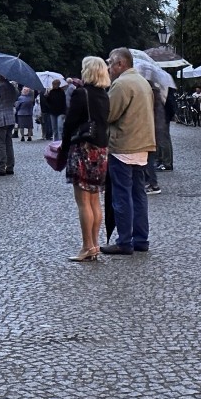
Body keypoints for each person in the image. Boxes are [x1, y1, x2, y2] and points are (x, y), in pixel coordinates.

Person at [101, 48, 156, 255]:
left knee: (122, 194)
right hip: (143, 143)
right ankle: (141, 238)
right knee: (138, 193)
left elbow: (110, 114)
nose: (108, 68)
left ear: (120, 64)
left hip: (124, 144)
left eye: (110, 63)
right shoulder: (142, 82)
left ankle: (124, 240)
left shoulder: (121, 84)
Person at [60, 57, 110, 262]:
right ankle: (95, 244)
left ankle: (86, 245)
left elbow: (69, 124)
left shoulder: (82, 94)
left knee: (83, 202)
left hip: (83, 148)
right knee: (95, 200)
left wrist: (63, 148)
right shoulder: (104, 95)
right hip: (101, 149)